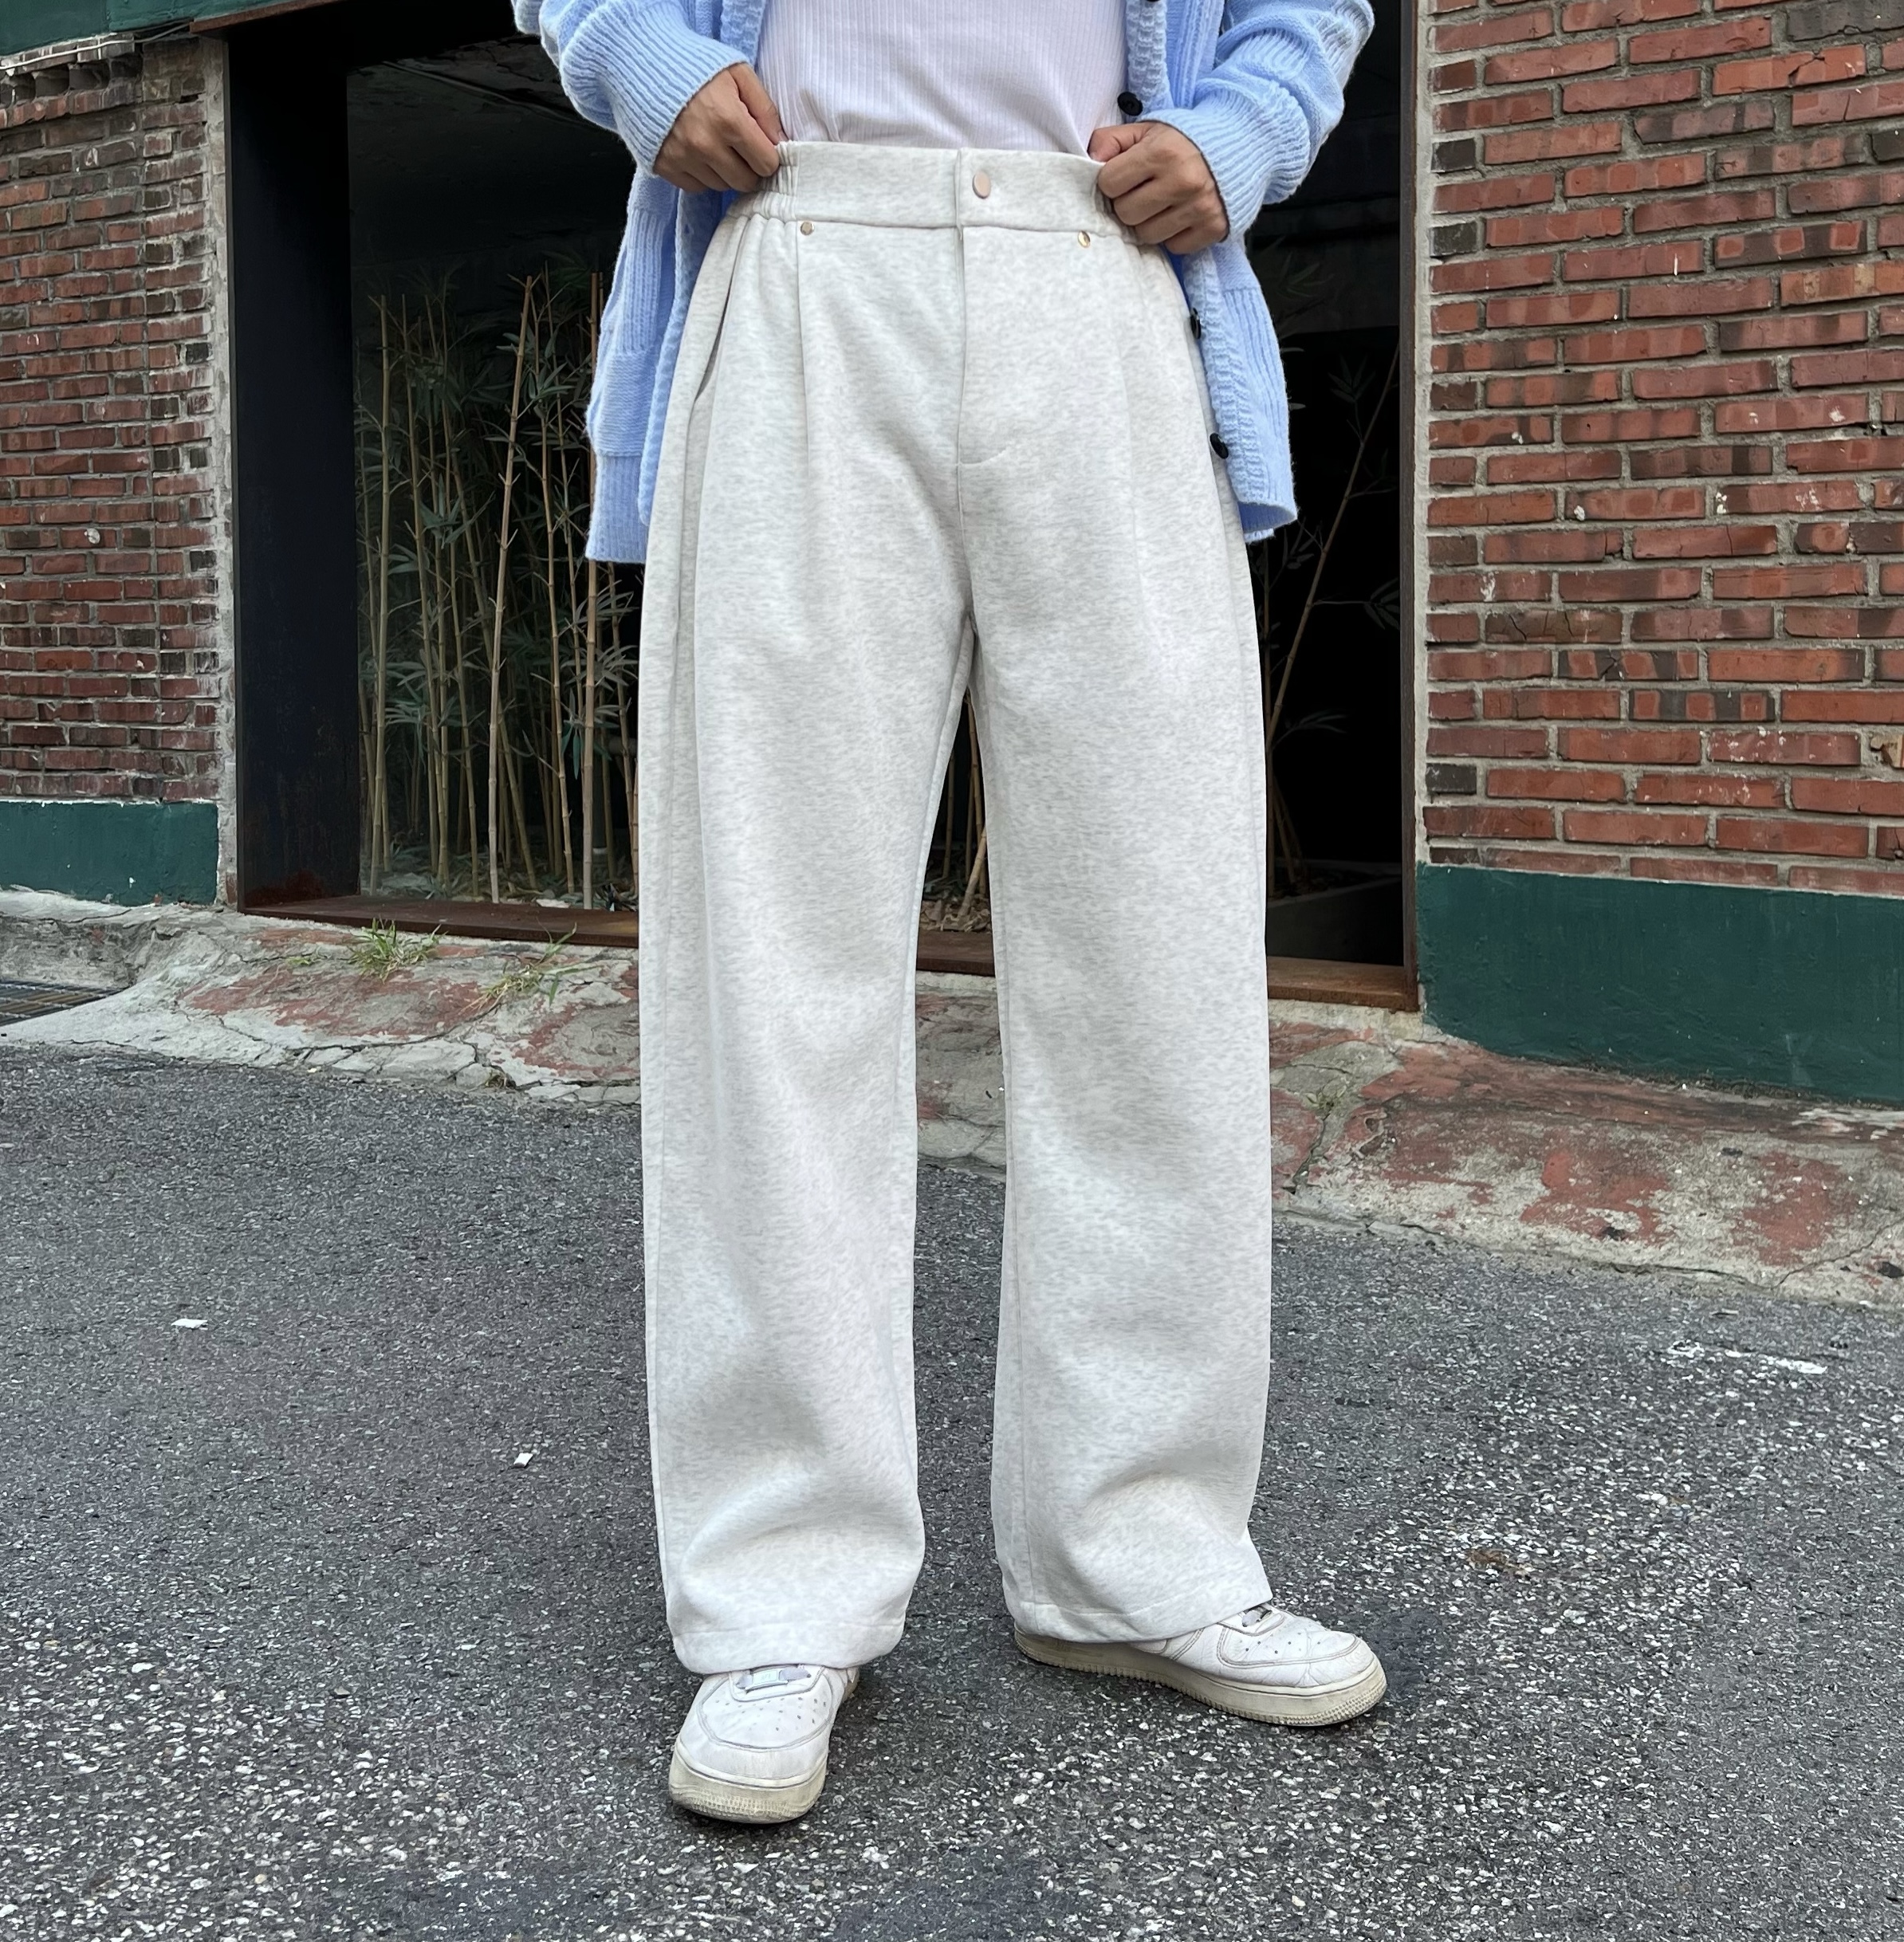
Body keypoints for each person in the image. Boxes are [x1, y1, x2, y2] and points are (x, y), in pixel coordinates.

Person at [518, 0, 1382, 1825]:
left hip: (1107, 258)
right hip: (801, 242)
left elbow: (1307, 10)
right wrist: (639, 58)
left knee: (1157, 959)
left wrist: (1237, 136)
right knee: (773, 963)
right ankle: (782, 1591)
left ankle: (1140, 1551)